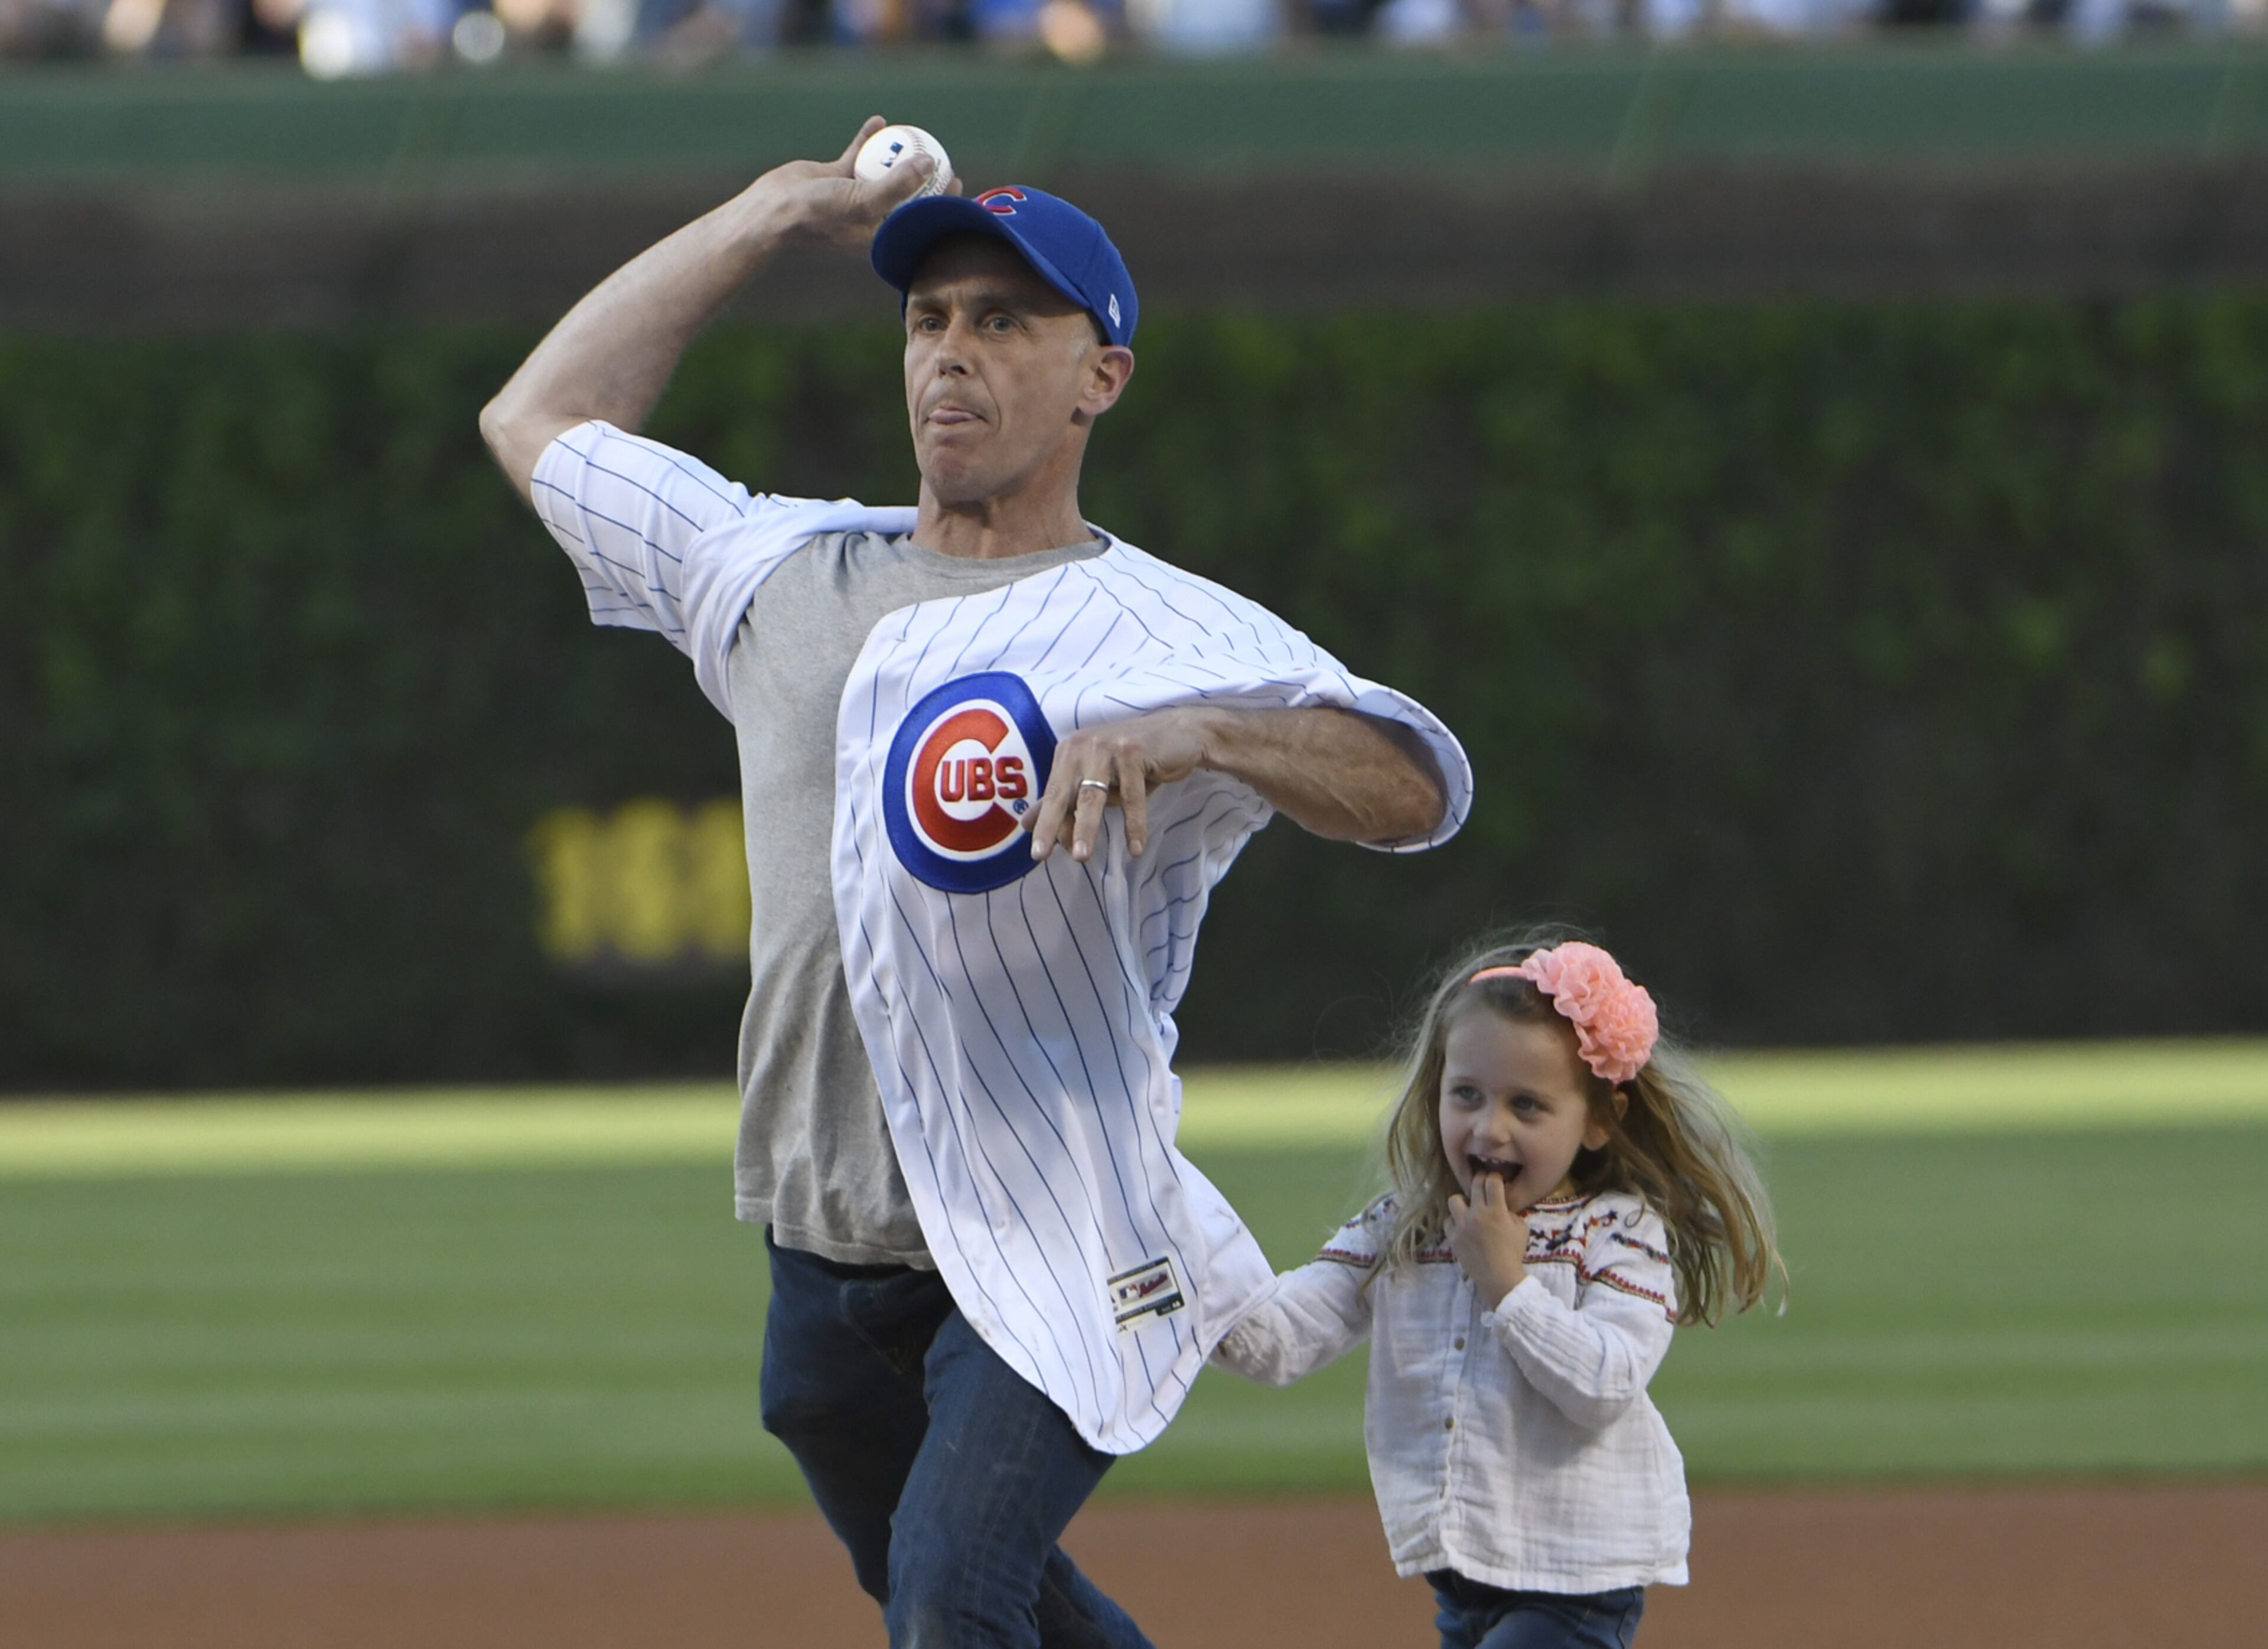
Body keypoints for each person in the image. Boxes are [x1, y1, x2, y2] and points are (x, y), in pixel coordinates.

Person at [477, 120, 1472, 1648]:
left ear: (1101, 377)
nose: (953, 351)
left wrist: (1214, 732)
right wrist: (767, 212)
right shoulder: (778, 569)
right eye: (930, 318)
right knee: (964, 1600)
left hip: (1057, 1227)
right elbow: (541, 415)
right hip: (819, 1242)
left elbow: (1412, 789)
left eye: (1006, 319)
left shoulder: (1165, 630)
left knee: (951, 1601)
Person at [1213, 931, 1781, 1649]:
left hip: (1578, 1584)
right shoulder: (1405, 1222)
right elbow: (1282, 1341)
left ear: (1601, 1119)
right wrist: (1179, 1271)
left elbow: (1607, 1382)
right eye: (1467, 1094)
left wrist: (1506, 1282)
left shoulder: (1618, 1229)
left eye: (1528, 1105)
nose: (1490, 1126)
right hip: (1463, 1586)